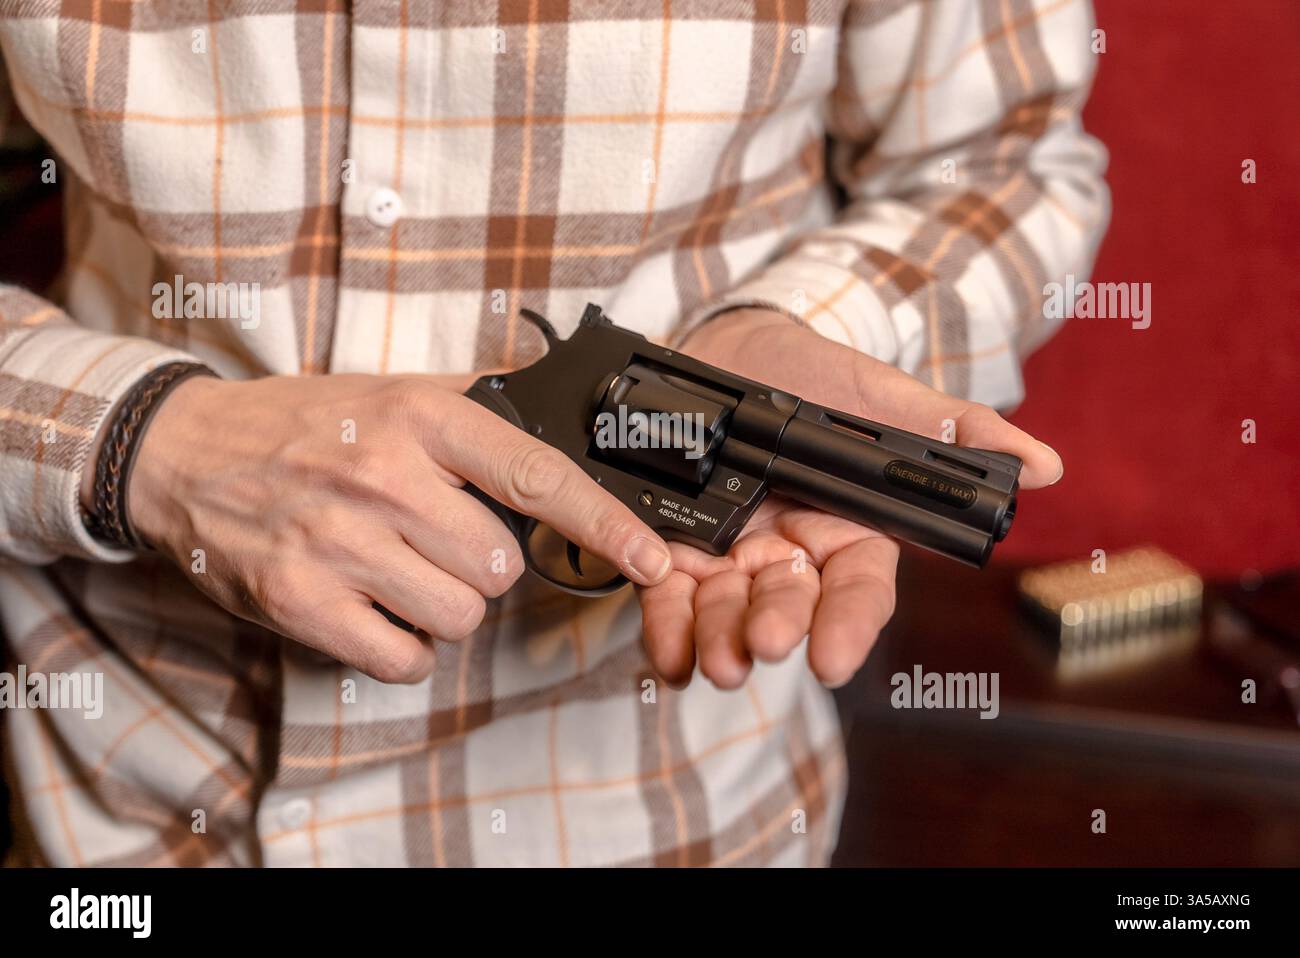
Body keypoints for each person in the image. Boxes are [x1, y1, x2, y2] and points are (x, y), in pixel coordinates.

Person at [0, 1, 1107, 866]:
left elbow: (1003, 160)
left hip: (668, 821)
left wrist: (792, 332)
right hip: (116, 819)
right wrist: (141, 437)